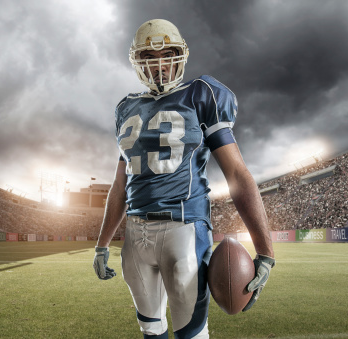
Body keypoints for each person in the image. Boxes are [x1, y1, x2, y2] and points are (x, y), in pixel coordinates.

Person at [93, 19, 275, 339]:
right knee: (150, 329)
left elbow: (236, 172)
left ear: (181, 56)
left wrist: (265, 250)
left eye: (167, 55)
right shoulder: (126, 108)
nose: (159, 64)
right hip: (136, 233)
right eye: (149, 56)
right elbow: (120, 185)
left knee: (191, 332)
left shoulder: (201, 93)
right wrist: (101, 244)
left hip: (184, 228)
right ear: (138, 62)